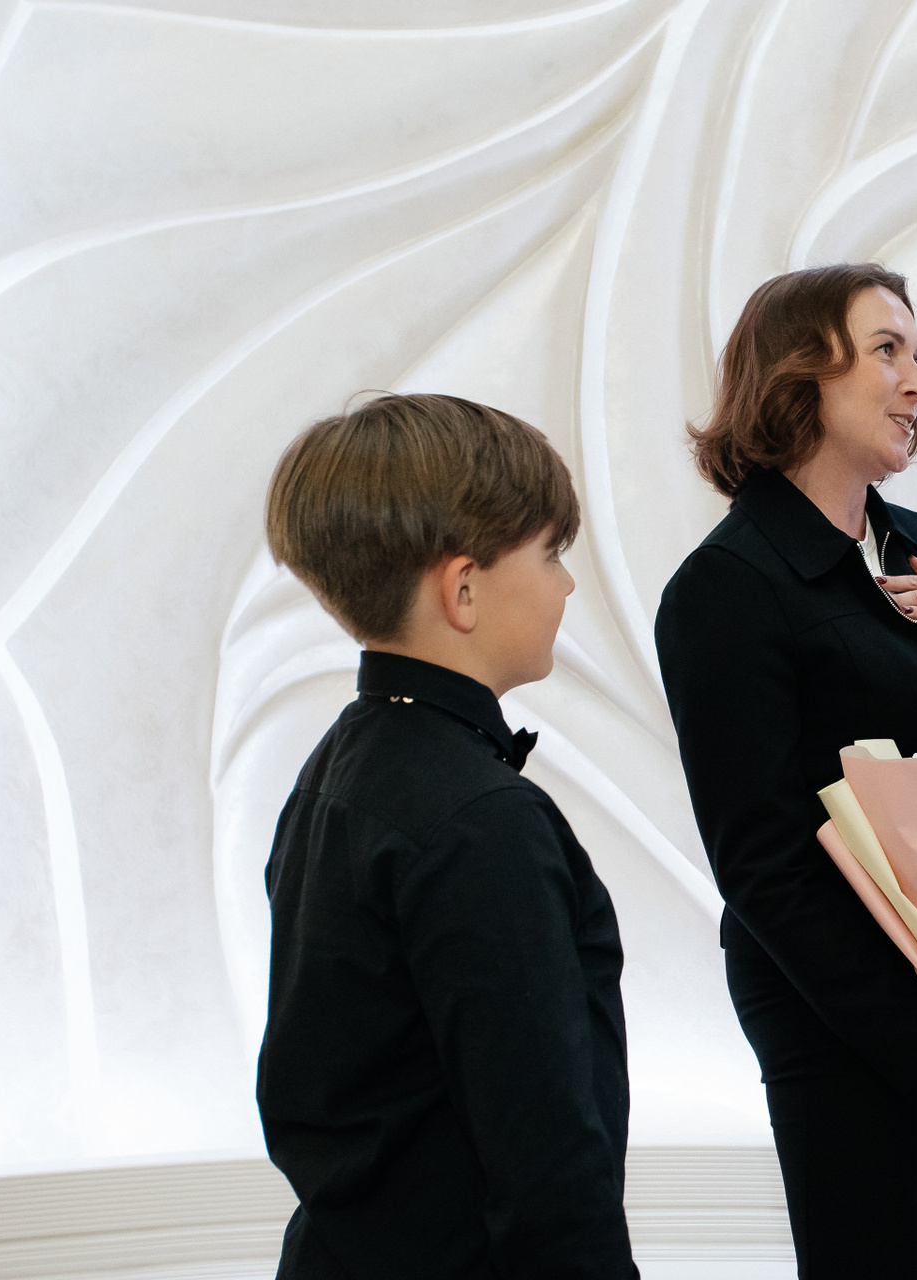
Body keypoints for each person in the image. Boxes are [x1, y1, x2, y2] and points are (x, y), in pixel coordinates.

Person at [655, 264, 917, 1279]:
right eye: (888, 351)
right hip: (830, 994)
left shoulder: (914, 545)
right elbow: (761, 862)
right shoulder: (724, 589)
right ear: (801, 371)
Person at [256, 393, 638, 1279]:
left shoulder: (337, 767)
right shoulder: (480, 822)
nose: (566, 584)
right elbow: (547, 1164)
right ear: (463, 589)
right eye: (551, 554)